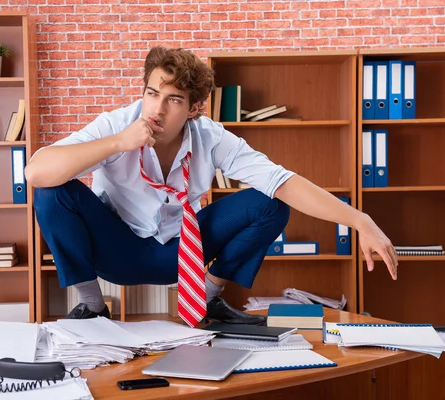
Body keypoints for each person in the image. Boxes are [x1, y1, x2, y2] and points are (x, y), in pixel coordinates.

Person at [25, 46, 398, 326]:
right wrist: (118, 144)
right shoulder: (116, 124)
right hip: (115, 249)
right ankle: (92, 306)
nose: (157, 109)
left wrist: (360, 220)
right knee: (52, 188)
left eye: (173, 100)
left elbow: (283, 181)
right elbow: (36, 172)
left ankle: (208, 299)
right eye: (152, 93)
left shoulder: (210, 136)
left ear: (193, 109)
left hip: (182, 254)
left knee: (269, 202)